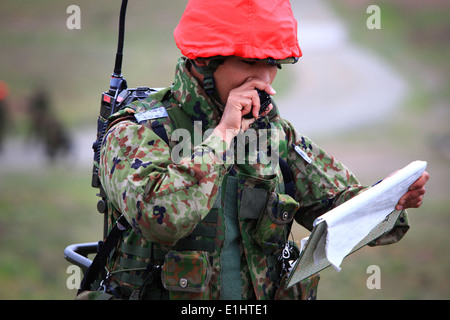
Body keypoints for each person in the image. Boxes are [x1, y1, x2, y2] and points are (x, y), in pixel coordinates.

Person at [84, 0, 429, 300]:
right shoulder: (136, 131)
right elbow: (163, 218)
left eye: (274, 64)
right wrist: (224, 134)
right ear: (204, 61)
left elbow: (342, 206)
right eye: (251, 63)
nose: (264, 79)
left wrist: (390, 199)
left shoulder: (272, 132)